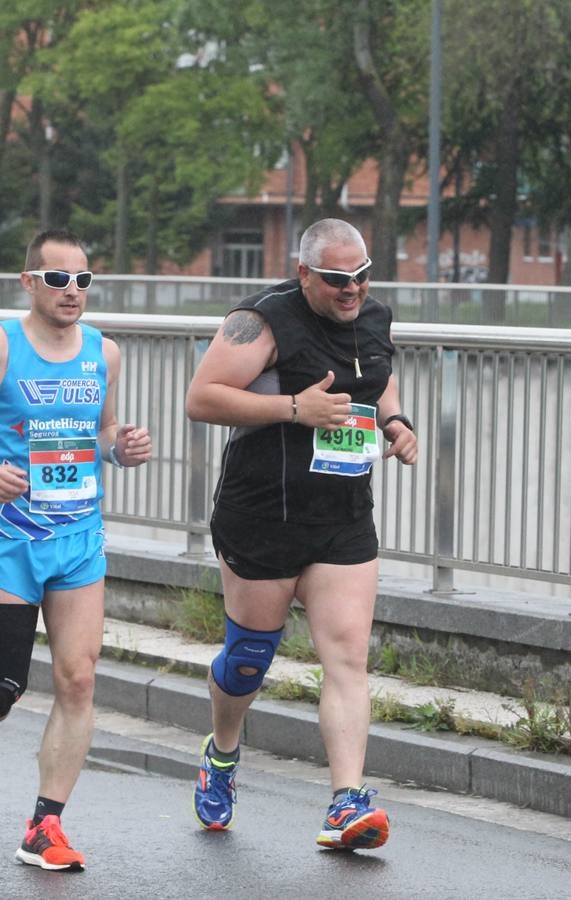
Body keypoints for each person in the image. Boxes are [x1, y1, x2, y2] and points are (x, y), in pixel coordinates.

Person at [0, 229, 152, 872]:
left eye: (82, 280)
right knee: (2, 689)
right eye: (57, 279)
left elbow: (101, 432)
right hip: (10, 540)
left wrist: (120, 449)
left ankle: (45, 825)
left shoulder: (104, 352)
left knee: (79, 677)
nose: (72, 291)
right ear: (28, 282)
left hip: (78, 539)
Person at [185, 218, 418, 850]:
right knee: (248, 662)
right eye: (339, 279)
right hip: (262, 514)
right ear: (305, 274)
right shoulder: (262, 321)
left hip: (341, 518)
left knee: (346, 656)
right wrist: (294, 409)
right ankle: (222, 752)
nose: (353, 290)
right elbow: (201, 398)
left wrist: (396, 422)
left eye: (362, 275)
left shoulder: (373, 317)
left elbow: (378, 377)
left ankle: (347, 802)